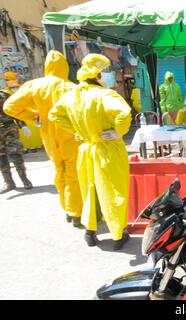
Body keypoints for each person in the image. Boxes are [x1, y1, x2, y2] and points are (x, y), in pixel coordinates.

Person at [49, 54, 132, 250]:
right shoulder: (105, 95)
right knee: (114, 192)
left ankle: (90, 232)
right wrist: (117, 131)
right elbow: (123, 113)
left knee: (90, 191)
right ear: (97, 74)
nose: (109, 75)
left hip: (86, 150)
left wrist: (78, 130)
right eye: (106, 71)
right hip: (107, 150)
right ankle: (118, 235)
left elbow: (55, 115)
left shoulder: (71, 95)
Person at [3, 50, 83, 227]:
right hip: (70, 136)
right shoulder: (71, 87)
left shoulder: (33, 85)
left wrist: (35, 116)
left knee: (59, 172)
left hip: (48, 137)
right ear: (63, 67)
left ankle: (67, 209)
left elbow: (10, 106)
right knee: (73, 175)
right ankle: (76, 212)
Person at [0, 90, 32, 193]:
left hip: (9, 128)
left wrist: (23, 125)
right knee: (1, 158)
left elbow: (15, 110)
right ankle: (9, 183)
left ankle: (24, 179)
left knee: (15, 154)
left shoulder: (4, 95)